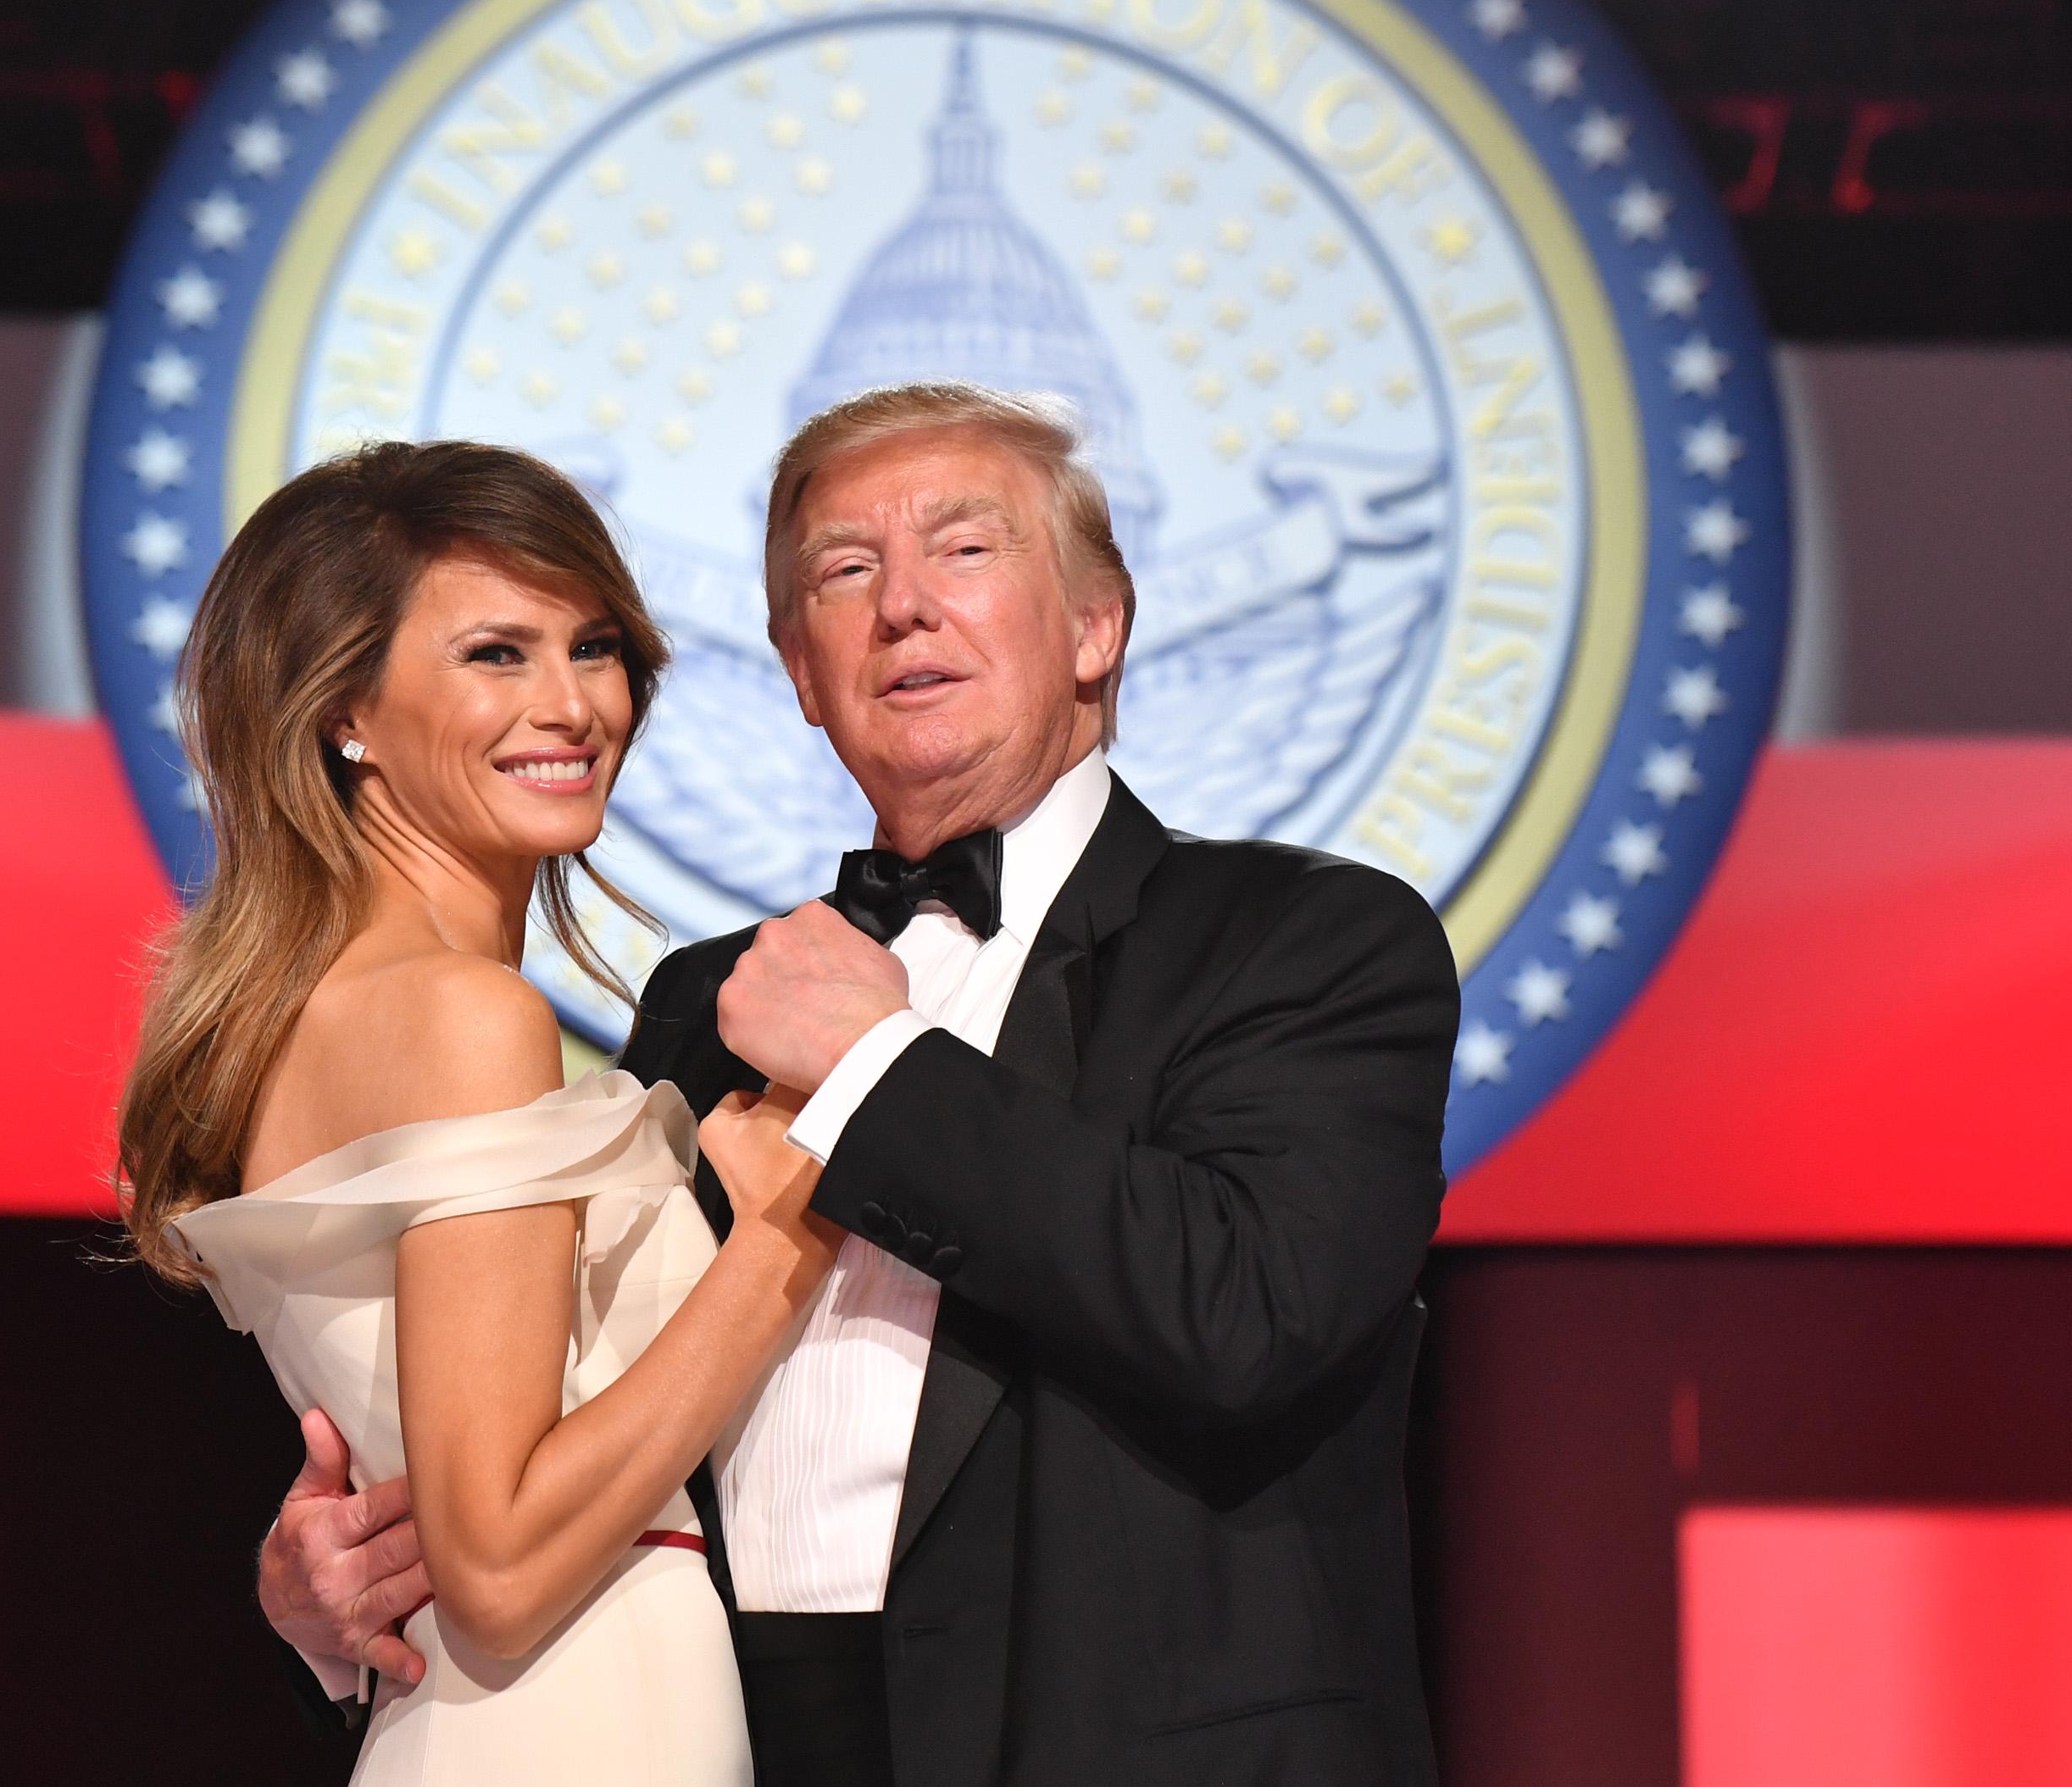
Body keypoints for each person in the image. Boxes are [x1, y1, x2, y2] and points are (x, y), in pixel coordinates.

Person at [264, 380, 1463, 1785]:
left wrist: (874, 1068)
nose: (903, 606)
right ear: (800, 670)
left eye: (965, 550)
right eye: (845, 571)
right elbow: (569, 1437)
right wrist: (341, 1591)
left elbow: (1245, 1312)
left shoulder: (1302, 938)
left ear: (1097, 625)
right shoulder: (708, 1005)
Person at [118, 439, 841, 1784]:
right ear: (344, 708)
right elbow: (499, 1563)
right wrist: (784, 1240)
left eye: (596, 646)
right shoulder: (464, 1019)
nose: (571, 705)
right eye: (496, 655)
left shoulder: (339, 1006)